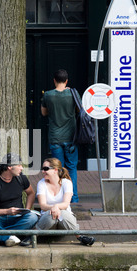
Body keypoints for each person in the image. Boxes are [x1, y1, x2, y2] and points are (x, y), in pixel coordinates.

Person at [0, 153, 39, 247]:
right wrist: (7, 211)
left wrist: (27, 210)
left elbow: (31, 193)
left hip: (17, 218)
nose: (22, 168)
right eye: (19, 165)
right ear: (9, 167)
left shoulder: (21, 178)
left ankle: (0, 235)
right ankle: (9, 236)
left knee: (32, 217)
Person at [35, 158, 95, 246]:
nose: (43, 171)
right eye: (42, 169)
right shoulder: (41, 183)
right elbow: (43, 206)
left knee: (63, 213)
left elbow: (66, 204)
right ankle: (33, 236)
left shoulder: (66, 183)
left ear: (55, 170)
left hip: (64, 221)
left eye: (46, 169)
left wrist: (56, 207)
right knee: (51, 215)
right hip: (48, 222)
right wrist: (54, 208)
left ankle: (80, 237)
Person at [41, 69, 79, 203]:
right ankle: (73, 198)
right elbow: (79, 110)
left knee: (58, 168)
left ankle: (61, 197)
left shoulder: (48, 95)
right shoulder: (73, 94)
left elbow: (44, 112)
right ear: (67, 81)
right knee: (72, 168)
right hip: (71, 137)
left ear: (54, 80)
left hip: (55, 137)